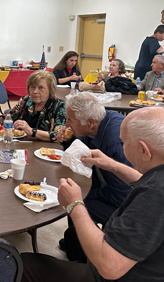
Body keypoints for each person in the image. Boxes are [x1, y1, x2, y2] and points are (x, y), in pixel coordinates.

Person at [21, 107, 164, 282]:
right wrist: (112, 165)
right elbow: (149, 182)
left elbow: (109, 267)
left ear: (144, 150)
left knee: (23, 263)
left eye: (125, 143)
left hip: (114, 274)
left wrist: (74, 204)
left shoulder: (157, 195)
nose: (122, 147)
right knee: (73, 237)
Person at [56, 92, 132, 262]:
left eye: (70, 120)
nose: (66, 124)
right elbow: (83, 145)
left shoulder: (115, 143)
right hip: (108, 185)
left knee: (75, 203)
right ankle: (76, 241)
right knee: (73, 192)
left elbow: (122, 194)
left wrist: (84, 195)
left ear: (90, 122)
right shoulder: (99, 122)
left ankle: (82, 262)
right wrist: (68, 141)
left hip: (126, 206)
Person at [0, 70, 66, 142]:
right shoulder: (26, 100)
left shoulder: (59, 106)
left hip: (45, 151)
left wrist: (31, 131)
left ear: (50, 89)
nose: (35, 91)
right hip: (24, 146)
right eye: (32, 87)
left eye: (41, 88)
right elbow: (7, 117)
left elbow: (57, 135)